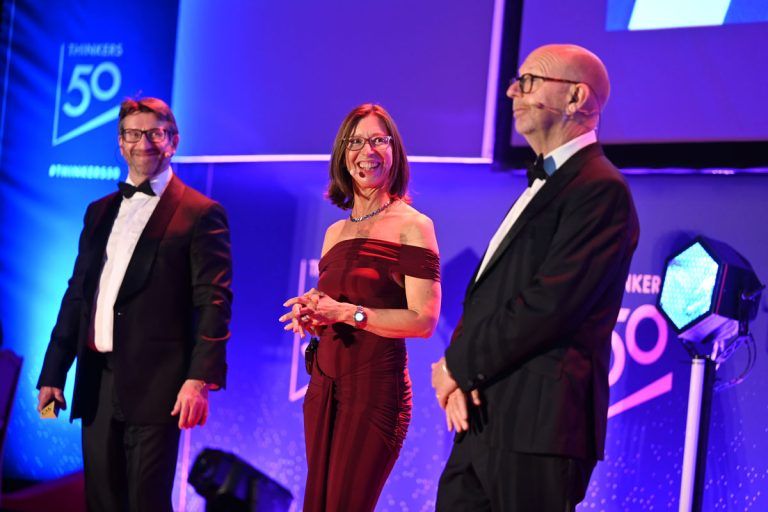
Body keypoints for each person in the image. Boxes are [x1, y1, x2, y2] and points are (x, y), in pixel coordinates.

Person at [431, 44, 640, 511]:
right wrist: (462, 375)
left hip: (540, 426)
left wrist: (456, 367)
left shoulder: (600, 190)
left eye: (528, 82)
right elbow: (492, 295)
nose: (512, 93)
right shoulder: (547, 183)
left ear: (576, 98)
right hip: (485, 417)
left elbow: (550, 305)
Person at [36, 97, 233, 512]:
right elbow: (78, 294)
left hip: (159, 386)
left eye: (155, 133)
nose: (143, 142)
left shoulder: (201, 213)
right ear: (120, 142)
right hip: (98, 382)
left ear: (173, 142)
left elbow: (213, 302)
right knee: (102, 501)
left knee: (146, 503)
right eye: (133, 133)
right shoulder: (98, 211)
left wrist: (199, 379)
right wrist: (54, 370)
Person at [280, 103, 441, 511]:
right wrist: (314, 312)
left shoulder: (413, 225)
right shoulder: (335, 231)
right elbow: (334, 304)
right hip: (324, 386)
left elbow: (423, 319)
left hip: (374, 391)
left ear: (395, 152)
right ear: (342, 154)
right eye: (355, 141)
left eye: (377, 140)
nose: (366, 150)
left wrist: (346, 313)